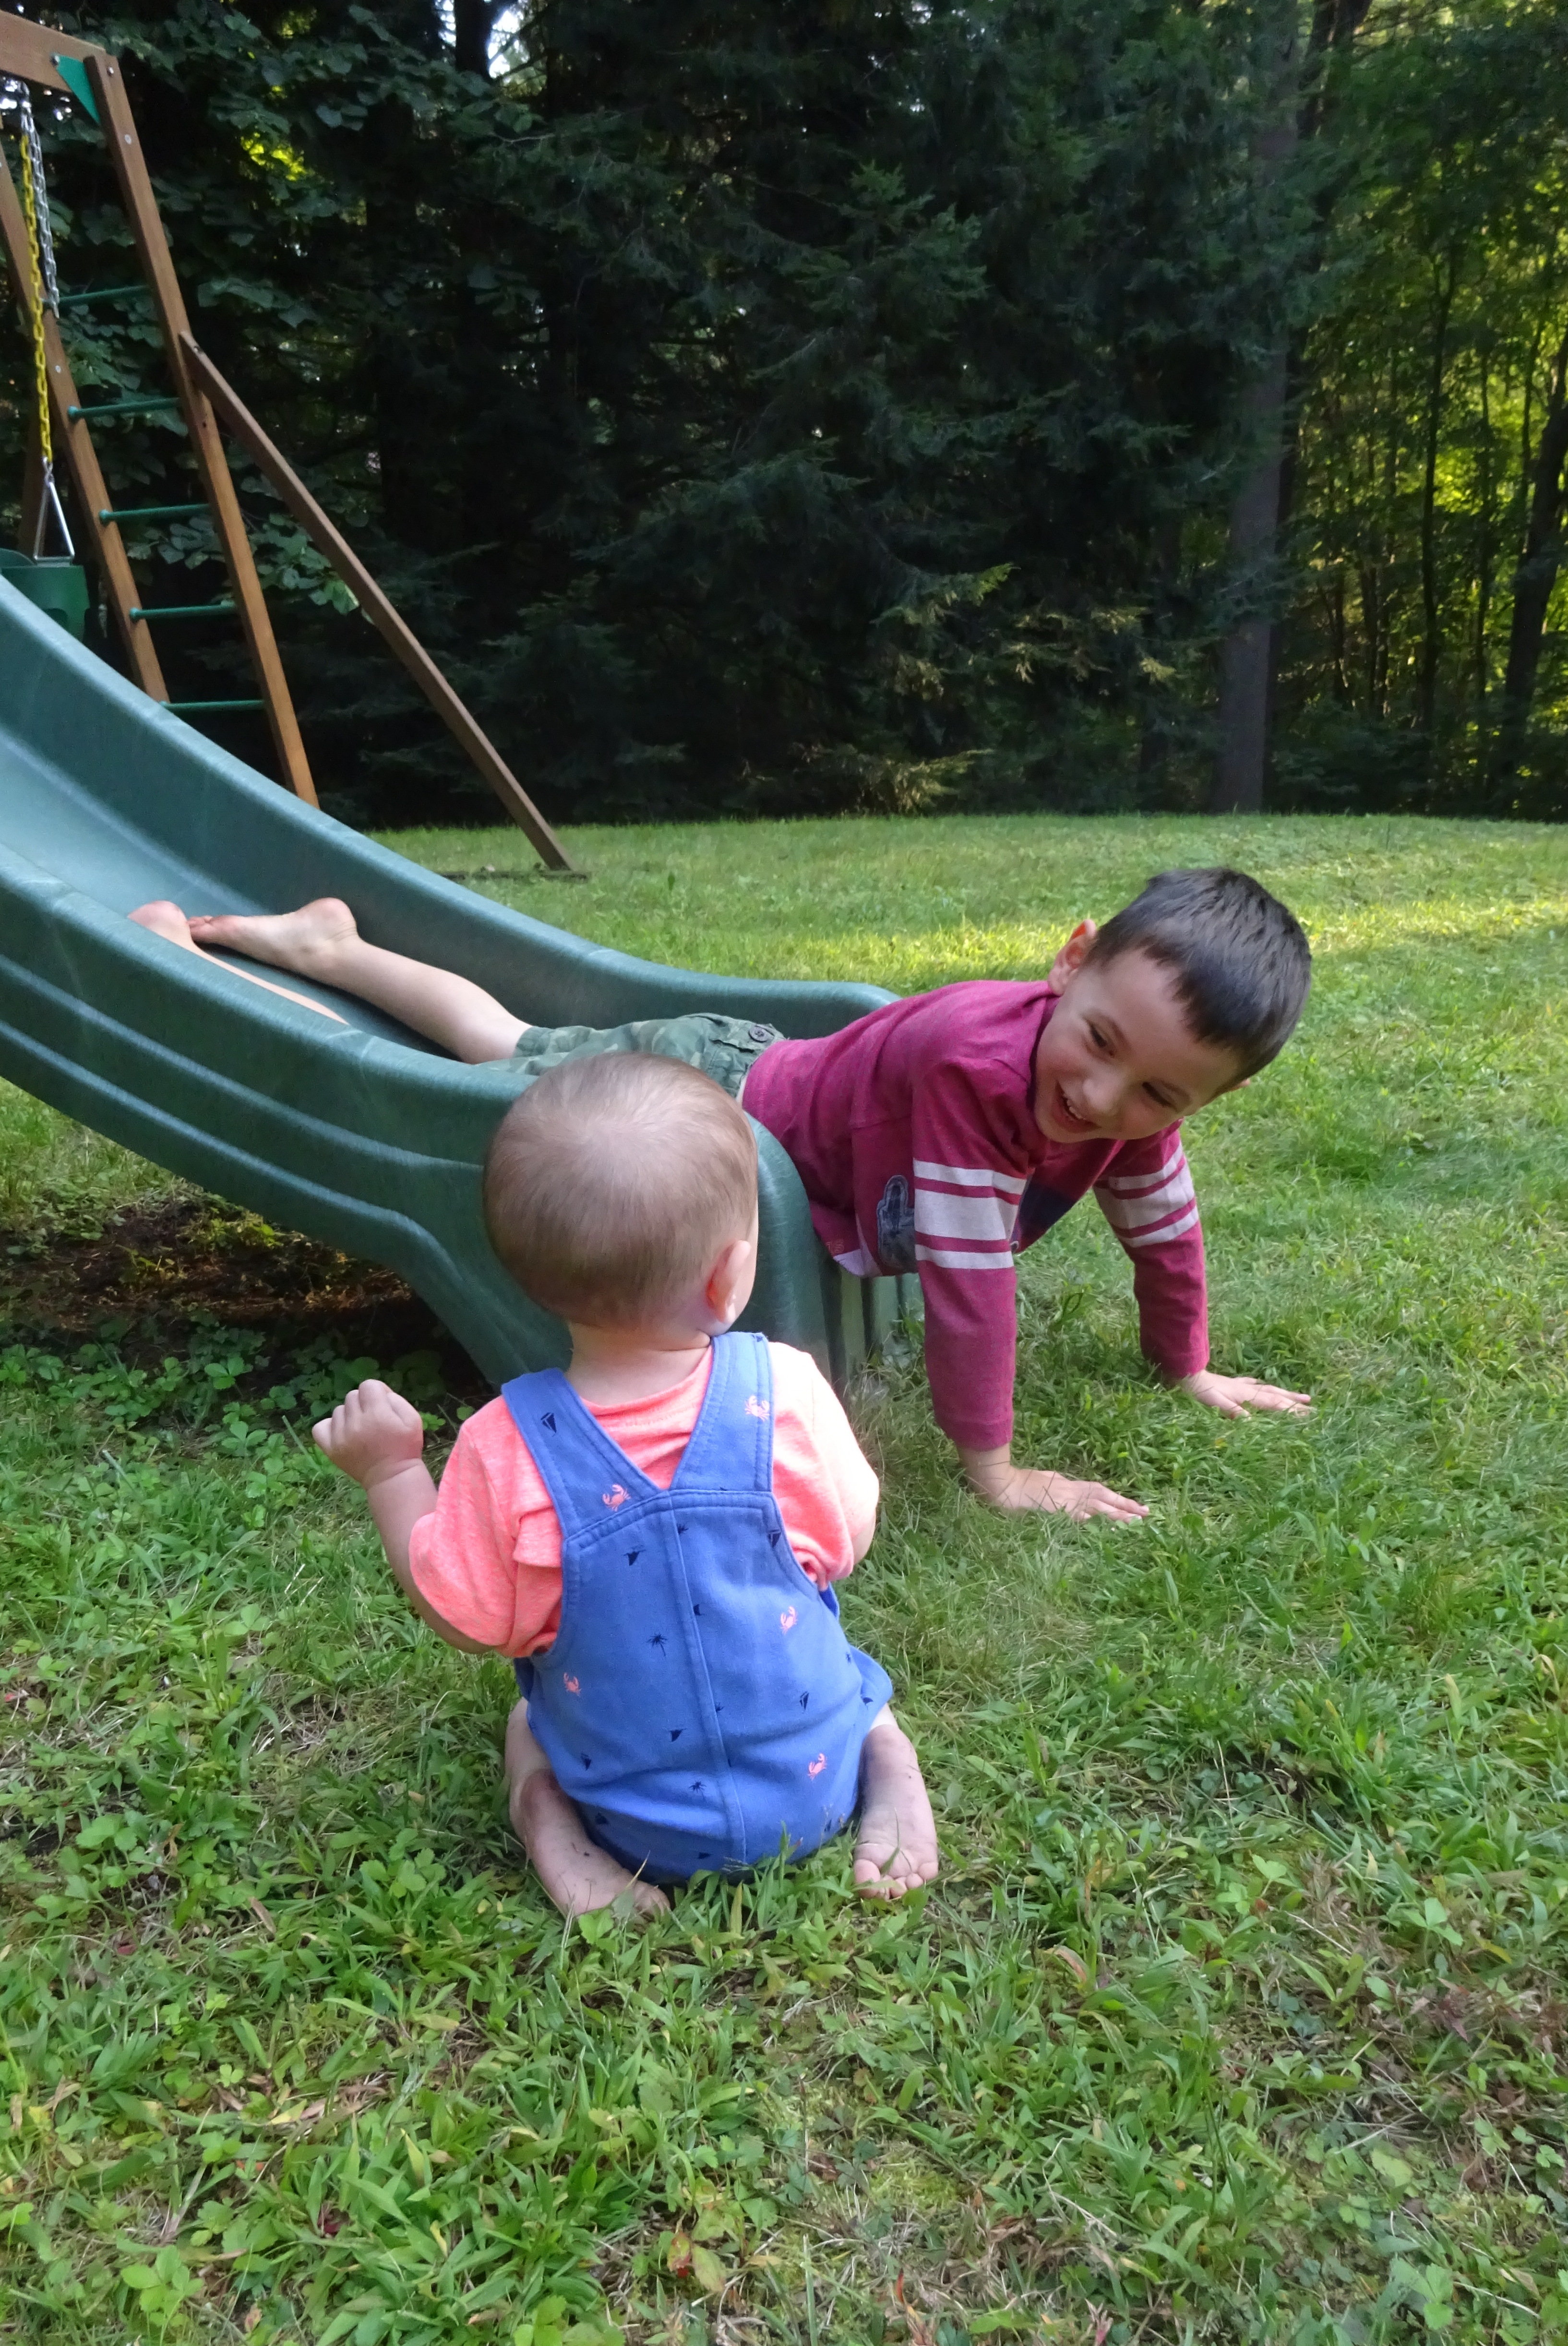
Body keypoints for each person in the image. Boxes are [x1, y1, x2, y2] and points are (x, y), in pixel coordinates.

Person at [129, 864, 1313, 1524]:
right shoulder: (977, 1068)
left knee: (503, 1041)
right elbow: (971, 1281)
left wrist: (1186, 1363)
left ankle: (330, 946)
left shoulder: (1128, 1103)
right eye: (1098, 1041)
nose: (1102, 1097)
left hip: (749, 1098)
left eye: (1158, 1093)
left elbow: (1166, 1233)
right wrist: (994, 1471)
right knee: (486, 1067)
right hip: (696, 1100)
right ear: (1069, 959)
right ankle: (222, 969)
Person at [309, 1049, 938, 1919]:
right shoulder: (786, 1390)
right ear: (728, 1277)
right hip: (814, 1787)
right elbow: (847, 1542)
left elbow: (462, 1616)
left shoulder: (505, 1447)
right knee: (858, 1682)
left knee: (527, 1724)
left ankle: (549, 1822)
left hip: (633, 1825)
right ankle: (888, 1766)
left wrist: (391, 1471)